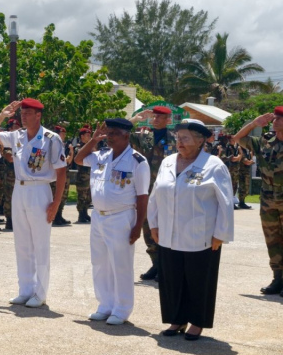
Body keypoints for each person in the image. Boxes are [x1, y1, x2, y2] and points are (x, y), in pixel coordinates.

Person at [148, 119, 233, 341]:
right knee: (172, 279)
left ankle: (197, 321)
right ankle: (177, 319)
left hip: (201, 235)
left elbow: (225, 203)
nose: (180, 143)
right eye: (178, 138)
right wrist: (153, 223)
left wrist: (220, 234)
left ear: (200, 141)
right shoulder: (167, 162)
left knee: (198, 280)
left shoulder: (214, 165)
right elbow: (156, 195)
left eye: (185, 138)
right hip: (169, 232)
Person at [0, 98, 67, 308]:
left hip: (40, 190)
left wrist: (56, 203)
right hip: (19, 190)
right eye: (22, 113)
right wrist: (2, 115)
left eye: (28, 113)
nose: (23, 116)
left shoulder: (51, 138)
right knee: (21, 243)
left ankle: (40, 293)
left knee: (40, 244)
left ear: (38, 116)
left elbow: (61, 172)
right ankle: (25, 289)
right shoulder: (17, 136)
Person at [75, 119, 149, 325]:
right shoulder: (101, 156)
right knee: (99, 262)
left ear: (126, 135)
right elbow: (79, 160)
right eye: (108, 133)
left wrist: (137, 226)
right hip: (98, 216)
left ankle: (122, 308)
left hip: (121, 217)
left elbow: (143, 196)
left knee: (121, 264)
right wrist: (93, 140)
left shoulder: (137, 161)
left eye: (114, 133)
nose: (109, 137)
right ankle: (105, 305)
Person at [233, 108, 283, 295]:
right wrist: (255, 123)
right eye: (274, 118)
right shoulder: (265, 142)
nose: (274, 121)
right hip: (268, 199)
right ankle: (278, 278)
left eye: (279, 119)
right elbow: (238, 138)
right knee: (273, 240)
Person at [129, 105, 177, 281]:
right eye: (154, 117)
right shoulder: (143, 136)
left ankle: (166, 265)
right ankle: (156, 263)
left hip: (167, 188)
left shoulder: (176, 139)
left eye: (159, 117)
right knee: (148, 226)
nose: (155, 120)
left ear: (168, 120)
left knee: (167, 225)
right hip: (145, 188)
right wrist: (136, 119)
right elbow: (121, 131)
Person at [50, 125, 72, 226]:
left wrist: (71, 153)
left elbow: (68, 160)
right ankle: (55, 216)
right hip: (55, 175)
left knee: (63, 195)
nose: (64, 135)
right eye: (62, 133)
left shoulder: (65, 146)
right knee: (55, 195)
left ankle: (59, 215)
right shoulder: (52, 145)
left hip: (64, 173)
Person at [73, 125, 93, 224]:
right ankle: (81, 215)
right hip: (83, 177)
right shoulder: (78, 147)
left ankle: (85, 213)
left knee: (88, 196)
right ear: (82, 137)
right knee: (82, 196)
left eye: (90, 135)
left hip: (90, 176)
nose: (89, 137)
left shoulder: (92, 147)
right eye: (87, 135)